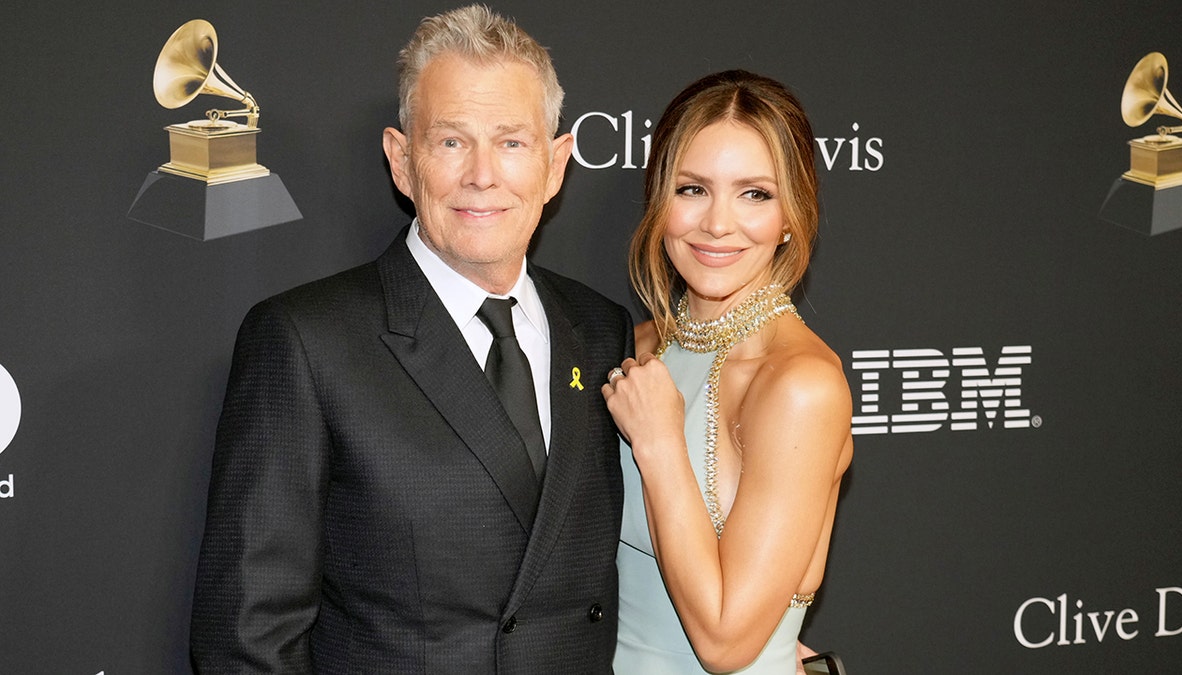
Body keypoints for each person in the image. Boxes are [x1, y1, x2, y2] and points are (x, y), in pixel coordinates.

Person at [190, 5, 633, 672]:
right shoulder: (307, 341)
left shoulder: (602, 329)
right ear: (402, 160)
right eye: (451, 141)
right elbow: (247, 636)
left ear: (555, 164)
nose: (482, 174)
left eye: (511, 142)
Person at [603, 70, 853, 673]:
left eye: (755, 194)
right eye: (692, 189)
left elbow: (724, 643)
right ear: (659, 199)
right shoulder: (632, 347)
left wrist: (660, 440)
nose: (718, 223)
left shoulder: (800, 385)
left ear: (792, 215)